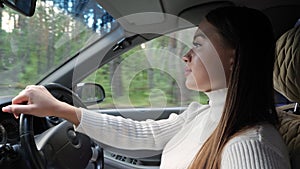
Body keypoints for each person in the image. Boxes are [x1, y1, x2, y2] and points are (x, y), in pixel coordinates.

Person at [2, 6, 290, 169]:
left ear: (233, 58)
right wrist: (61, 109)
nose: (186, 55)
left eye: (199, 44)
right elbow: (146, 133)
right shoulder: (201, 115)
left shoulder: (251, 147)